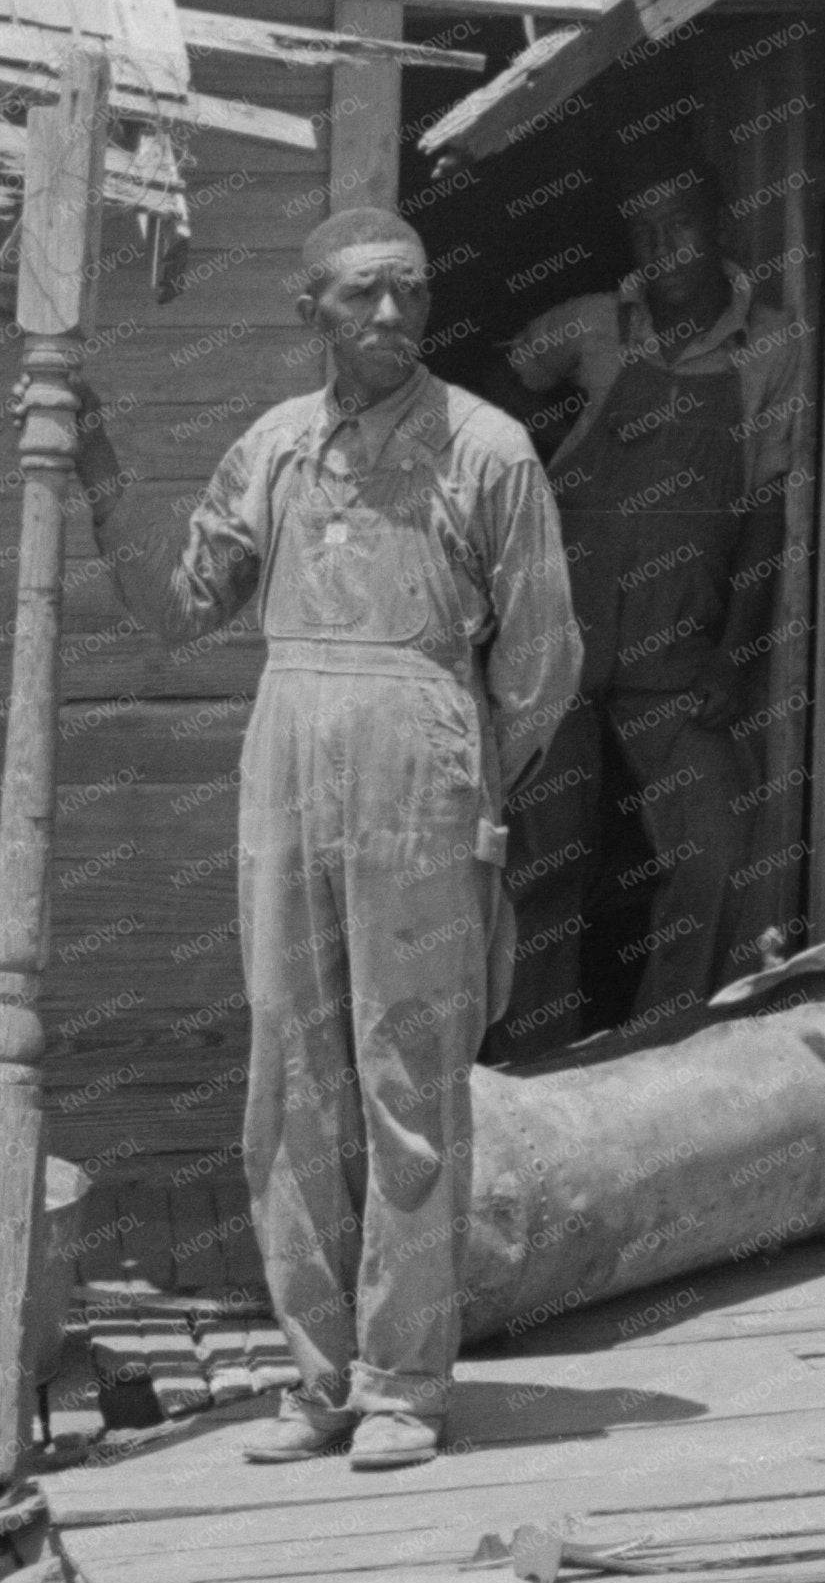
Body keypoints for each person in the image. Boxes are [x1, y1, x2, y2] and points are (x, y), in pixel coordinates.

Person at [65, 208, 579, 1470]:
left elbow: (543, 658)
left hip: (422, 764)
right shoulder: (275, 451)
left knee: (408, 1078)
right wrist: (99, 476)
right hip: (285, 750)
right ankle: (318, 1380)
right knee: (289, 1081)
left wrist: (467, 785)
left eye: (409, 294)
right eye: (361, 297)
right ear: (311, 312)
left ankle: (405, 1381)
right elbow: (182, 610)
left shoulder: (489, 451)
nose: (390, 318)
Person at [490, 167, 793, 1053]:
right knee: (544, 861)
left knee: (717, 849)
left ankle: (667, 1050)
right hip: (561, 641)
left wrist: (739, 656)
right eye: (646, 233)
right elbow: (503, 379)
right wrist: (535, 453)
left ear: (719, 228)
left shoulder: (771, 347)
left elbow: (766, 510)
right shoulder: (593, 324)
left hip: (677, 650)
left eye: (681, 229)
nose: (664, 253)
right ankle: (535, 1063)